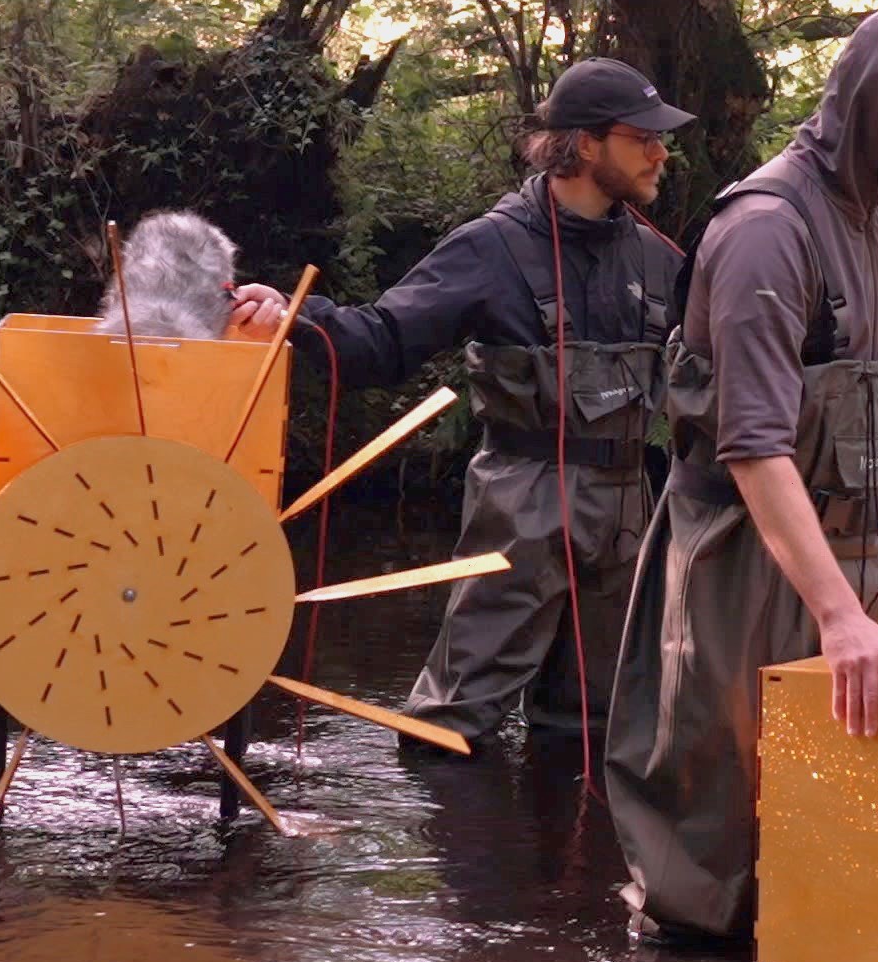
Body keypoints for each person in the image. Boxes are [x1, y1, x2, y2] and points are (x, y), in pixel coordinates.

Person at [600, 0, 878, 940]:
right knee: (717, 826)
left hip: (852, 556)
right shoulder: (768, 230)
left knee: (839, 812)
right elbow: (755, 446)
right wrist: (840, 618)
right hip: (738, 561)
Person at [224, 58, 693, 750]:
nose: (661, 152)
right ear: (587, 144)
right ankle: (463, 852)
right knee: (447, 730)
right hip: (522, 507)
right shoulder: (490, 248)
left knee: (598, 729)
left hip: (630, 513)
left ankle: (573, 858)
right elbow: (384, 342)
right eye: (643, 137)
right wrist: (295, 314)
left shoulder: (661, 260)